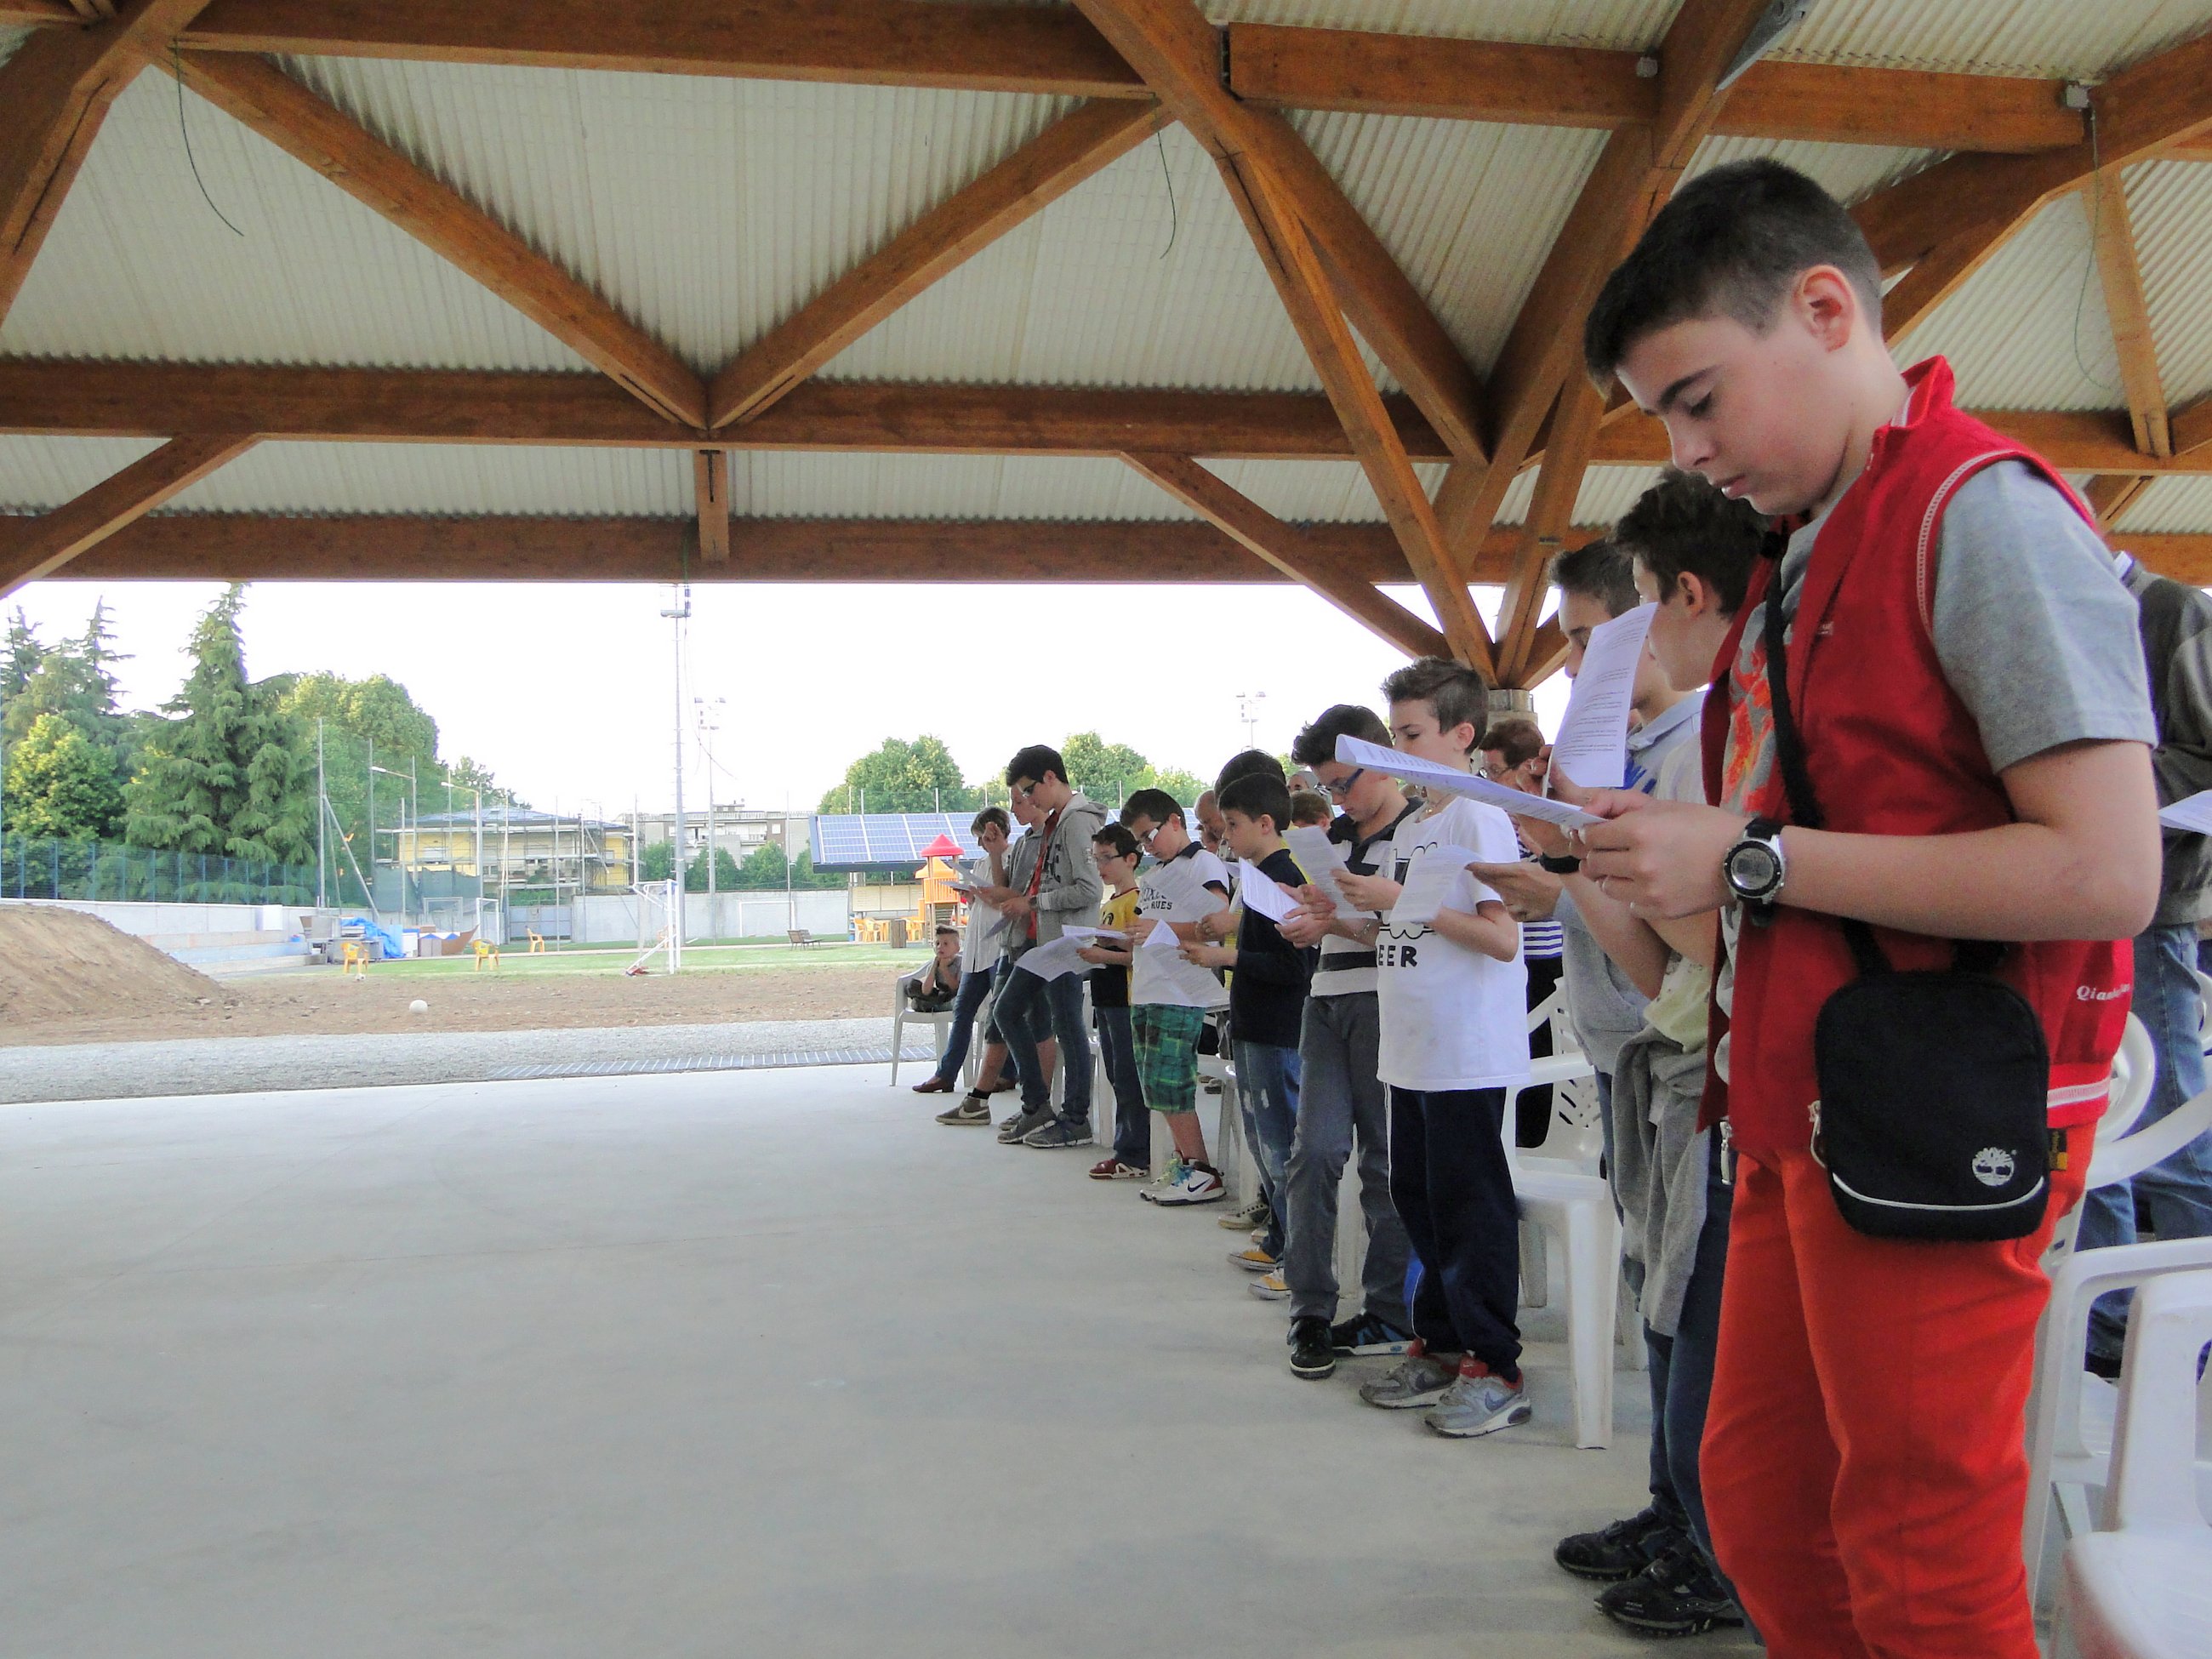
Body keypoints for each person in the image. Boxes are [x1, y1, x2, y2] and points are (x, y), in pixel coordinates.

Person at [1580, 157, 2155, 1656]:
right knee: (1766, 1504)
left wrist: (1749, 858)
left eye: (1699, 399)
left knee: (1917, 1540)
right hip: (1794, 1103)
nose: (1691, 451)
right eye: (1664, 421)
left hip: (1929, 1108)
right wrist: (1681, 864)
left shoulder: (1980, 513)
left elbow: (2107, 869)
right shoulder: (1801, 554)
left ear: (1826, 309)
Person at [1512, 472, 1765, 1639]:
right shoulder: (1662, 746)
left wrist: (1590, 855)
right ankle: (1676, 1510)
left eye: (1585, 641)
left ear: (1672, 604)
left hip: (1704, 1065)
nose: (1573, 670)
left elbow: (1699, 948)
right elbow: (1661, 957)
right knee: (1659, 1295)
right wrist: (1574, 863)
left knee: (1694, 1306)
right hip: (1652, 1047)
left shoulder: (1711, 745)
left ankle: (1715, 1544)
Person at [1339, 657, 1532, 1438]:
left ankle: (1496, 1364)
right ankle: (1443, 1344)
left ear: (1462, 735)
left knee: (1468, 1208)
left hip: (1463, 1048)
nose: (1399, 752)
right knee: (1417, 1199)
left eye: (1411, 735)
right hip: (1412, 1046)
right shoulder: (1417, 826)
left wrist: (1398, 904)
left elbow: (1501, 938)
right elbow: (1405, 928)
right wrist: (1343, 917)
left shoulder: (1479, 816)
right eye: (1394, 736)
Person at [2077, 550, 2212, 1373]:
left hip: (2152, 909)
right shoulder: (2069, 613)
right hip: (2075, 901)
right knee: (2093, 1121)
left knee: (2170, 1126)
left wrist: (2098, 780)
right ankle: (2107, 1329)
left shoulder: (2172, 612)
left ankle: (2196, 1329)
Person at [1274, 704, 1421, 1377]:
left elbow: (1419, 931)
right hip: (1327, 998)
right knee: (1314, 1152)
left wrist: (1338, 923)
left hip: (1387, 1001)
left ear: (1382, 760)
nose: (1338, 798)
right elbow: (1340, 920)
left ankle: (1387, 1310)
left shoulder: (1419, 834)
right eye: (1327, 787)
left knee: (1385, 1163)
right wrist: (1312, 918)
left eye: (1344, 783)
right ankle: (1309, 1309)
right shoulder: (1332, 839)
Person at [1177, 770, 1310, 1274]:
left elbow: (1295, 966)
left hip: (1279, 1030)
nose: (1225, 836)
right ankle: (1279, 1238)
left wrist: (1225, 958)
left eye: (1232, 825)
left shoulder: (1285, 876)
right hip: (1253, 1024)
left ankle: (1297, 1253)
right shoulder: (1258, 875)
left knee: (1280, 1143)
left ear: (1266, 822)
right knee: (1260, 1139)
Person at [979, 745, 1105, 1150]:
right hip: (1043, 941)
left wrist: (1034, 902)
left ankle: (1075, 1118)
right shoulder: (1056, 822)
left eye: (1029, 790)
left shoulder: (1077, 822)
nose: (1028, 800)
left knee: (1068, 1028)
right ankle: (1036, 1106)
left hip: (1067, 942)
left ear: (1051, 777)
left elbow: (1090, 889)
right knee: (1007, 1010)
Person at [1119, 787, 1234, 1206]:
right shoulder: (1157, 873)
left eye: (1149, 835)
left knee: (1172, 1081)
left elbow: (1218, 921)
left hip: (1180, 988)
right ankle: (1187, 1161)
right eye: (1140, 842)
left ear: (1174, 821)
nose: (1147, 846)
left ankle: (1202, 1169)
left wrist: (1162, 929)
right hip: (1149, 985)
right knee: (1154, 1083)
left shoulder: (1203, 863)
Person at [1480, 714, 1567, 1149]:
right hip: (1510, 956)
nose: (1489, 782)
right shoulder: (1494, 820)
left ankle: (1532, 1143)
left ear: (1524, 768)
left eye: (1495, 771)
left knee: (1538, 1052)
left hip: (1542, 958)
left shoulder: (1546, 820)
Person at [921, 808, 1017, 1118]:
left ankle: (1007, 1072)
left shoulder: (1012, 857)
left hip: (998, 946)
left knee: (1001, 1014)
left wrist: (983, 894)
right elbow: (982, 900)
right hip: (976, 948)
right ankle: (947, 1073)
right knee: (962, 1010)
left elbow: (1005, 899)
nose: (980, 844)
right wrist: (970, 895)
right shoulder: (979, 863)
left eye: (984, 838)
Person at [1080, 823, 1151, 1181]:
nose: (1101, 867)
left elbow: (1141, 956)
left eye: (1107, 858)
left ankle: (1134, 1151)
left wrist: (1103, 953)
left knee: (1127, 1075)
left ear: (1131, 859)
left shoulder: (1136, 901)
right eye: (1096, 859)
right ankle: (1128, 1145)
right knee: (1115, 1073)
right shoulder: (1111, 903)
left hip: (1126, 999)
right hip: (1107, 998)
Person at [901, 926, 961, 1012]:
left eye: (945, 944)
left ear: (957, 948)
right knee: (912, 986)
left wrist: (944, 969)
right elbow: (926, 991)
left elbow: (955, 987)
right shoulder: (935, 964)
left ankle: (929, 1006)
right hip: (940, 996)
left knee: (957, 1000)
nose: (940, 947)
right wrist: (934, 967)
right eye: (937, 943)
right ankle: (931, 1005)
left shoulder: (960, 963)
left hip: (956, 996)